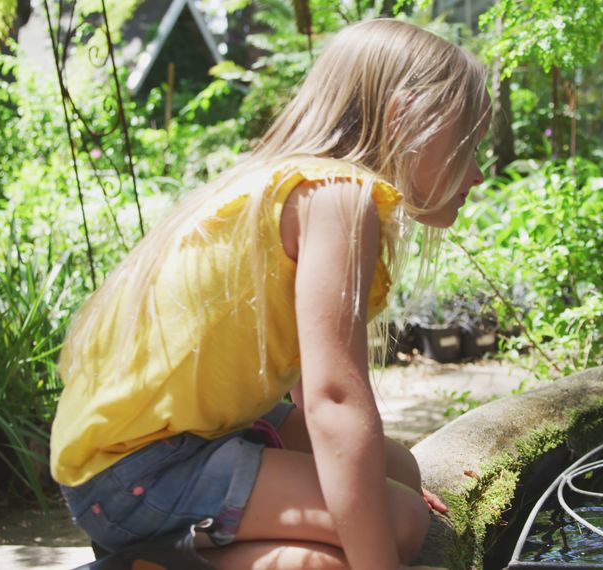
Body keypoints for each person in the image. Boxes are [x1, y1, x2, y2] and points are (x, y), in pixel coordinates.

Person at [49, 18, 491, 570]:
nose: (475, 174)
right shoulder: (339, 198)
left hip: (161, 449)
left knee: (397, 471)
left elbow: (312, 396)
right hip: (138, 471)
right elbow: (334, 401)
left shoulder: (303, 186)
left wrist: (366, 499)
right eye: (468, 143)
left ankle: (173, 552)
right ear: (403, 119)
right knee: (396, 525)